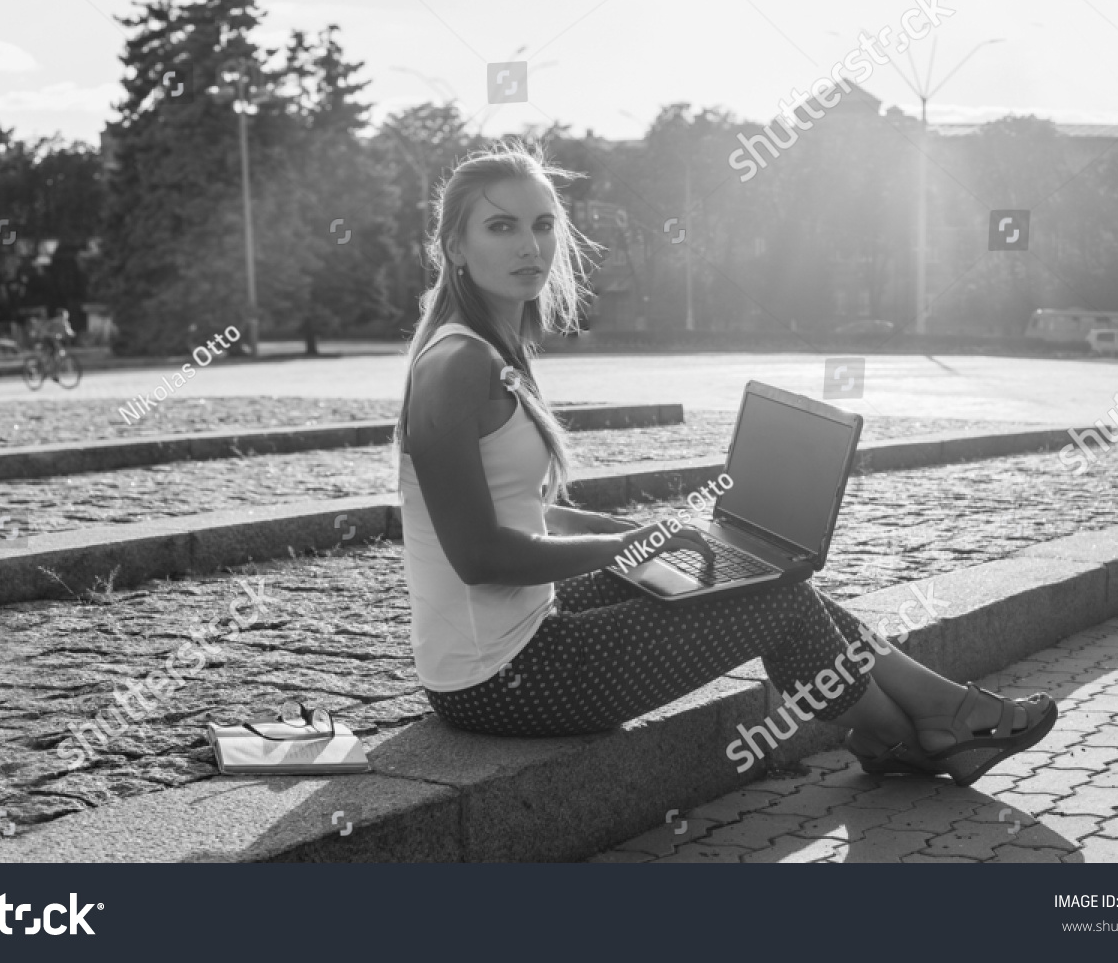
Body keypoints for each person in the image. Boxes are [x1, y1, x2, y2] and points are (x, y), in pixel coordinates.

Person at [393, 140, 1057, 786]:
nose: (529, 246)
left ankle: (936, 713)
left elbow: (524, 507)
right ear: (456, 245)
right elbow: (478, 557)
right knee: (781, 605)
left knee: (764, 575)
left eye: (542, 225)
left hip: (522, 632)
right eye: (501, 226)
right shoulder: (458, 366)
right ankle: (910, 735)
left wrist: (639, 537)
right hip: (501, 680)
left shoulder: (491, 350)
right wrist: (624, 545)